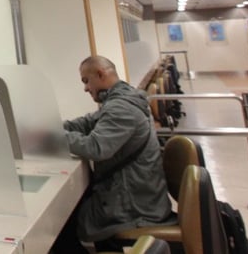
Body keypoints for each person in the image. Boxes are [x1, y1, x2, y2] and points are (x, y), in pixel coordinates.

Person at [50, 56, 174, 253]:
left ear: (100, 74)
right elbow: (86, 123)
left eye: (86, 81)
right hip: (140, 195)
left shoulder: (121, 106)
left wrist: (54, 136)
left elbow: (96, 147)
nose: (85, 88)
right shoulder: (122, 97)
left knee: (57, 226)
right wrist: (50, 126)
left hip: (135, 207)